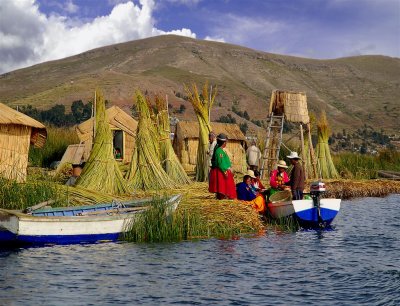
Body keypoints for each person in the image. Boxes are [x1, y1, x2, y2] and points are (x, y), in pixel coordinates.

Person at [209, 133, 237, 200]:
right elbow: (220, 163)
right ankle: (223, 197)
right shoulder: (219, 151)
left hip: (223, 170)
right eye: (225, 142)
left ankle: (223, 196)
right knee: (223, 185)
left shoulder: (220, 150)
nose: (226, 143)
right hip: (221, 171)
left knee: (223, 185)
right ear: (223, 143)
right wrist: (225, 171)